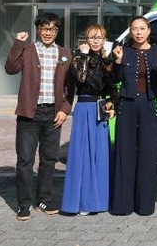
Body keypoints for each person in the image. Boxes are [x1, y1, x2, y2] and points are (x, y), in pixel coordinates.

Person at [5, 12, 74, 221]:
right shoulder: (27, 50)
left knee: (49, 160)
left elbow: (70, 86)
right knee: (25, 160)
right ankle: (24, 204)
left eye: (52, 29)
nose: (48, 32)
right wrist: (18, 43)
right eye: (44, 28)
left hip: (53, 114)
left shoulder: (65, 54)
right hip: (29, 114)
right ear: (38, 29)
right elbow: (10, 68)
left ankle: (44, 199)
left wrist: (65, 109)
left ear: (57, 31)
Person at [110, 16, 157, 216]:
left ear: (149, 31)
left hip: (148, 104)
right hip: (126, 105)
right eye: (135, 29)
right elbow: (114, 78)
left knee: (148, 152)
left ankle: (144, 205)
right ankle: (122, 204)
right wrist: (118, 61)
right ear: (130, 31)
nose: (139, 32)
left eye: (142, 28)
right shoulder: (122, 50)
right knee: (124, 152)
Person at [61, 24, 115, 216]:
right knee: (83, 154)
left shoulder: (106, 60)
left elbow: (110, 86)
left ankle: (100, 200)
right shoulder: (78, 57)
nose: (95, 41)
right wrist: (84, 55)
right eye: (92, 37)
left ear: (104, 39)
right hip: (84, 107)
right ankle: (82, 201)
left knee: (100, 155)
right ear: (86, 39)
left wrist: (112, 105)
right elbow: (80, 79)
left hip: (100, 108)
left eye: (99, 37)